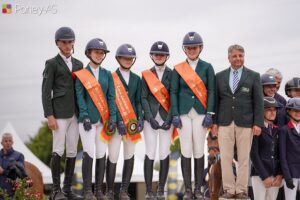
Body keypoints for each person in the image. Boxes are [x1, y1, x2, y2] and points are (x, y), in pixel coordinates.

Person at [212, 44, 264, 199]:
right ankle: (229, 189)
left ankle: (241, 190)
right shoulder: (219, 76)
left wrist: (258, 123)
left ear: (244, 57)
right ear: (229, 58)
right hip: (224, 122)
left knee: (243, 158)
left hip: (246, 123)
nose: (238, 59)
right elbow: (216, 101)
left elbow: (258, 102)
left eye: (240, 56)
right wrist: (214, 122)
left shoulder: (254, 76)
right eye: (234, 56)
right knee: (226, 158)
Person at [170, 32, 216, 199]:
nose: (191, 50)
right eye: (189, 48)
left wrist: (210, 112)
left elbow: (212, 91)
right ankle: (188, 189)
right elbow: (173, 92)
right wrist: (174, 113)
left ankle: (198, 189)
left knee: (198, 150)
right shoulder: (178, 69)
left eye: (194, 47)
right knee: (186, 150)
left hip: (200, 112)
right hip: (183, 113)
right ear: (185, 49)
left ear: (200, 48)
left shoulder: (207, 67)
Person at [42, 27, 83, 200]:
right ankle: (55, 190)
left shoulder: (79, 64)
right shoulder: (51, 63)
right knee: (58, 149)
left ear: (73, 42)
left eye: (70, 41)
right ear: (58, 43)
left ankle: (67, 189)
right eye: (64, 42)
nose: (67, 45)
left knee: (73, 150)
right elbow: (45, 91)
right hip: (58, 112)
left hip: (76, 113)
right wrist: (49, 115)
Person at [74, 38, 117, 200]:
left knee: (101, 153)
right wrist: (84, 116)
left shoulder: (107, 74)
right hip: (87, 120)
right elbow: (80, 96)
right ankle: (87, 191)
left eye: (102, 53)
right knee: (89, 151)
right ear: (89, 53)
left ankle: (98, 190)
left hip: (103, 120)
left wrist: (112, 117)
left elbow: (111, 97)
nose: (99, 55)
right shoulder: (82, 74)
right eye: (96, 52)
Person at [106, 44, 143, 200]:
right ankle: (109, 191)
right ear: (118, 58)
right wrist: (119, 120)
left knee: (129, 156)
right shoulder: (111, 77)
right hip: (116, 124)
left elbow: (138, 101)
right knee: (113, 156)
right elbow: (110, 101)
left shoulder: (136, 79)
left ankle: (123, 190)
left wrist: (140, 118)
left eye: (130, 58)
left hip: (132, 123)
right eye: (124, 58)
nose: (128, 60)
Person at [141, 41, 173, 199]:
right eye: (156, 54)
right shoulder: (146, 74)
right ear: (152, 56)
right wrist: (149, 117)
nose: (159, 57)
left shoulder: (173, 74)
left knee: (164, 152)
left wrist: (169, 119)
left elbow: (174, 97)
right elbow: (143, 98)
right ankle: (148, 190)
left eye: (161, 54)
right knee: (150, 152)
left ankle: (161, 189)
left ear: (166, 56)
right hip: (150, 120)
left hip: (167, 119)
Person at [250, 97, 282, 200]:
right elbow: (253, 154)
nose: (272, 112)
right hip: (259, 174)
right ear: (261, 111)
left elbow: (281, 155)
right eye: (268, 109)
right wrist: (264, 176)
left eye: (274, 110)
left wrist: (280, 174)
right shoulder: (256, 129)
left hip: (275, 176)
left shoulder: (278, 130)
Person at [279, 97, 300, 200]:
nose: (298, 113)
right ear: (289, 111)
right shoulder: (284, 130)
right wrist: (287, 176)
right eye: (295, 111)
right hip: (291, 173)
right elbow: (282, 156)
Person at [0, 133, 27, 199]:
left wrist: (3, 171)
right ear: (1, 143)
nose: (8, 143)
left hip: (12, 194)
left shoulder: (18, 156)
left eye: (10, 141)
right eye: (5, 141)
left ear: (12, 142)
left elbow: (21, 175)